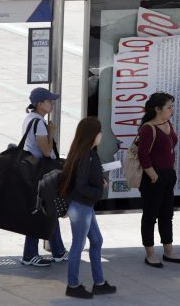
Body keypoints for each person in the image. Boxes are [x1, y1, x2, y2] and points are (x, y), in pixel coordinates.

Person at [59, 117, 116, 299]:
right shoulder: (85, 156)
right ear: (92, 135)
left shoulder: (89, 153)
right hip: (81, 206)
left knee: (97, 241)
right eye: (99, 131)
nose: (101, 134)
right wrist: (98, 191)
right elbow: (81, 186)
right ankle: (73, 285)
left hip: (85, 206)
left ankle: (99, 283)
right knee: (78, 245)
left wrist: (101, 181)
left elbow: (87, 179)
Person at [20, 87, 68, 266]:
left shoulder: (30, 119)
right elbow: (47, 151)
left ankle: (58, 251)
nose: (52, 104)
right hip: (40, 174)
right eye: (49, 101)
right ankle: (30, 254)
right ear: (39, 104)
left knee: (48, 212)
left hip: (34, 173)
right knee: (44, 212)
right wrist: (51, 132)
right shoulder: (39, 123)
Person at [138, 92, 180, 268]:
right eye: (169, 107)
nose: (172, 110)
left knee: (167, 214)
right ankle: (150, 254)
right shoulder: (148, 128)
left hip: (167, 175)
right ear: (158, 109)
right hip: (153, 177)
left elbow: (170, 146)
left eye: (171, 107)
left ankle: (168, 250)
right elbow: (143, 155)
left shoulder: (167, 123)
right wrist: (154, 176)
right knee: (150, 215)